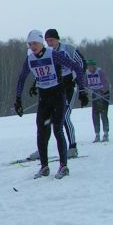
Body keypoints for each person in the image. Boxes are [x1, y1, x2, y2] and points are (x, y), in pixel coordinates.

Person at [15, 30, 88, 179]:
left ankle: (63, 166)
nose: (32, 46)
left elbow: (77, 68)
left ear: (41, 43)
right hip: (44, 97)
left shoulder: (52, 54)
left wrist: (81, 90)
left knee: (57, 130)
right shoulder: (29, 59)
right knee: (41, 132)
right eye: (30, 44)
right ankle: (44, 167)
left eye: (35, 43)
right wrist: (18, 99)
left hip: (58, 95)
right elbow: (22, 78)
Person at [44, 29, 86, 158]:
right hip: (55, 87)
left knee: (65, 117)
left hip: (69, 86)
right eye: (47, 41)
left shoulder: (68, 49)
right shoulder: (47, 53)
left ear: (57, 39)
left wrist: (81, 88)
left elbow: (81, 64)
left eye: (51, 40)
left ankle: (72, 147)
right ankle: (42, 149)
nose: (50, 43)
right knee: (46, 119)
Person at [84, 59, 110, 142]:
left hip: (103, 94)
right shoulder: (87, 73)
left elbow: (106, 83)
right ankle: (97, 134)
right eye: (88, 66)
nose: (90, 68)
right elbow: (85, 84)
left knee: (103, 113)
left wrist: (102, 91)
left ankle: (106, 133)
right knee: (95, 114)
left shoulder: (100, 72)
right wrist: (87, 90)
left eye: (91, 66)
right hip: (94, 94)